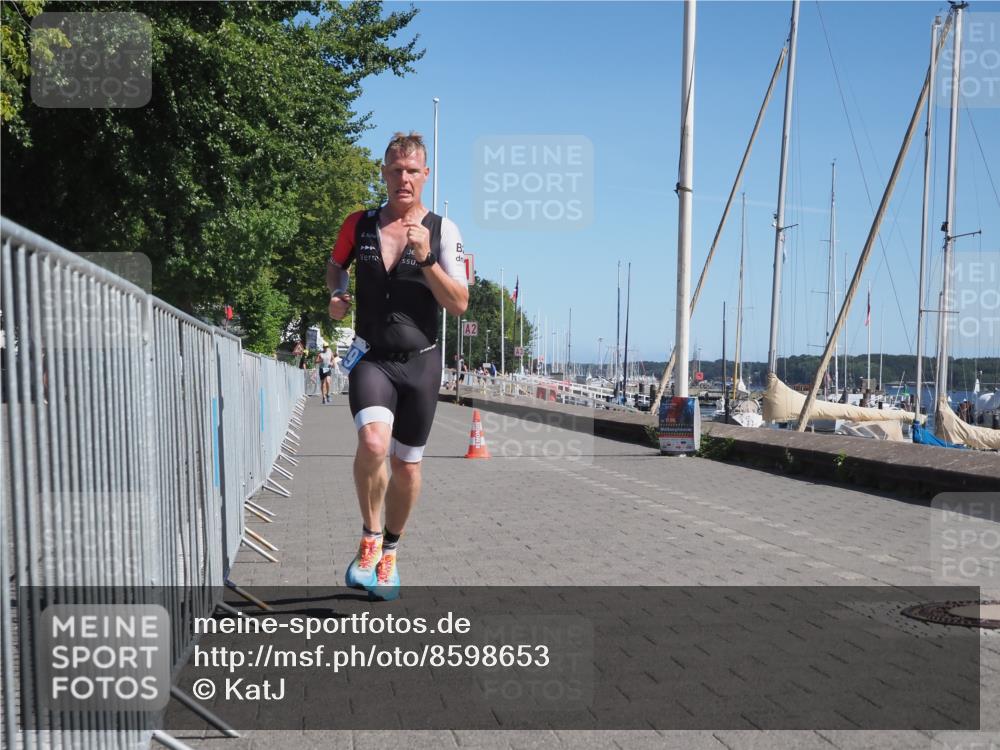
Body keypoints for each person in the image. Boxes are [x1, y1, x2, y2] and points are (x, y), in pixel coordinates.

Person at [327, 131, 469, 600]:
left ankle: (390, 549)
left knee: (407, 466)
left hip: (422, 364)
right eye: (395, 170)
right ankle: (369, 537)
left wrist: (427, 259)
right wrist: (337, 293)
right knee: (372, 440)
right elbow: (335, 265)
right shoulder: (359, 224)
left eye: (412, 171)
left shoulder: (443, 230)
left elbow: (460, 303)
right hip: (371, 356)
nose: (403, 178)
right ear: (383, 173)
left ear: (424, 175)